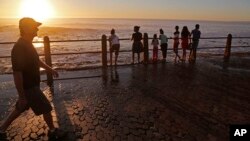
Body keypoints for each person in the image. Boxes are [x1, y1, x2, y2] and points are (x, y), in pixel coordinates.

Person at [0, 17, 65, 140]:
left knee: (20, 107)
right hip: (29, 87)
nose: (37, 28)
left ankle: (2, 129)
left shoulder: (28, 44)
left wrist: (50, 69)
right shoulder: (19, 47)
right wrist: (22, 95)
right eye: (34, 26)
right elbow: (17, 74)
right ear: (25, 28)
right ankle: (52, 130)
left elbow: (37, 61)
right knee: (46, 107)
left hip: (32, 85)